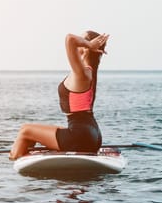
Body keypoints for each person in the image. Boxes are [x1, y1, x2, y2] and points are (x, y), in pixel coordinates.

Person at [9, 31, 109, 160]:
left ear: (87, 48)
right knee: (35, 133)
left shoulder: (82, 74)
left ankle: (13, 160)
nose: (79, 42)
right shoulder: (89, 71)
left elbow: (70, 39)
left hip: (81, 136)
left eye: (82, 40)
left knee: (25, 130)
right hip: (92, 135)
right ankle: (26, 155)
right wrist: (90, 45)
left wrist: (89, 44)